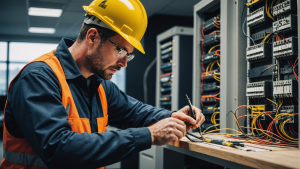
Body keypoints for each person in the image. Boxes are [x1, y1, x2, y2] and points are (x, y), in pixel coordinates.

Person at [1, 0, 204, 168]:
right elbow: (58, 149)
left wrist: (172, 116)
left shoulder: (97, 84)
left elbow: (134, 112)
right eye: (120, 50)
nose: (124, 63)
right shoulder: (38, 78)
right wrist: (149, 135)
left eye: (129, 56)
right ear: (92, 37)